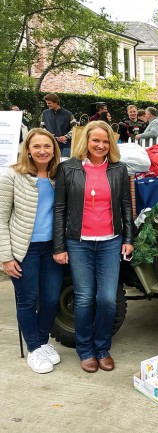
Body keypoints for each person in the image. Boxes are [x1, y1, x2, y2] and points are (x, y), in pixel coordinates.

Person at [52, 121, 133, 373]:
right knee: (85, 298)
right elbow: (60, 209)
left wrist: (129, 239)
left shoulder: (119, 169)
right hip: (79, 243)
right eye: (95, 140)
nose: (100, 145)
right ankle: (85, 350)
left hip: (111, 241)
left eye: (105, 141)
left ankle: (102, 348)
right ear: (85, 141)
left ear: (111, 144)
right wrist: (59, 246)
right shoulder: (68, 169)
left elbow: (126, 207)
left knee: (108, 299)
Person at [0, 128, 63, 374]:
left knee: (49, 299)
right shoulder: (11, 176)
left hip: (52, 249)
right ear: (27, 149)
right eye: (36, 146)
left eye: (47, 146)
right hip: (23, 250)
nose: (42, 151)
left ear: (54, 150)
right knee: (28, 299)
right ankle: (34, 348)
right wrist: (5, 257)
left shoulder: (59, 176)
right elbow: (1, 218)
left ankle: (42, 341)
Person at [41, 93, 75, 158]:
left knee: (65, 165)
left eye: (49, 103)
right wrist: (48, 134)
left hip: (66, 146)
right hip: (51, 144)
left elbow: (75, 128)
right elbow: (42, 127)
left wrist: (66, 137)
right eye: (47, 103)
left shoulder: (68, 114)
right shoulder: (45, 113)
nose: (47, 105)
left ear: (56, 102)